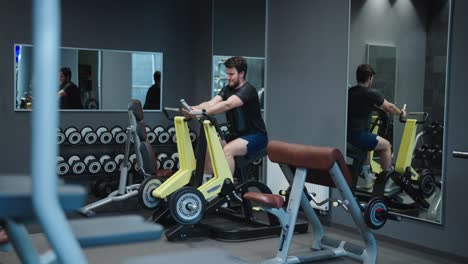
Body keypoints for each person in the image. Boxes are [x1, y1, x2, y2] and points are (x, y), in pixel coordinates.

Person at [185, 56, 267, 177]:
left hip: (256, 136)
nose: (228, 77)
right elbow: (210, 103)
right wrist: (192, 108)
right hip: (236, 136)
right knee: (211, 143)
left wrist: (202, 112)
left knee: (228, 150)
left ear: (242, 73)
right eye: (227, 73)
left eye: (231, 74)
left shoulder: (248, 90)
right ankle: (206, 182)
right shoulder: (227, 89)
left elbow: (228, 104)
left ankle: (227, 189)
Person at [347, 64, 406, 191]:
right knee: (386, 145)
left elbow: (361, 105)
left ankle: (368, 179)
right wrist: (401, 112)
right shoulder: (371, 93)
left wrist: (376, 108)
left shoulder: (351, 91)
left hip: (348, 135)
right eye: (372, 78)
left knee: (368, 146)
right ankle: (387, 181)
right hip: (358, 136)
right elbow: (389, 107)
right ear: (369, 78)